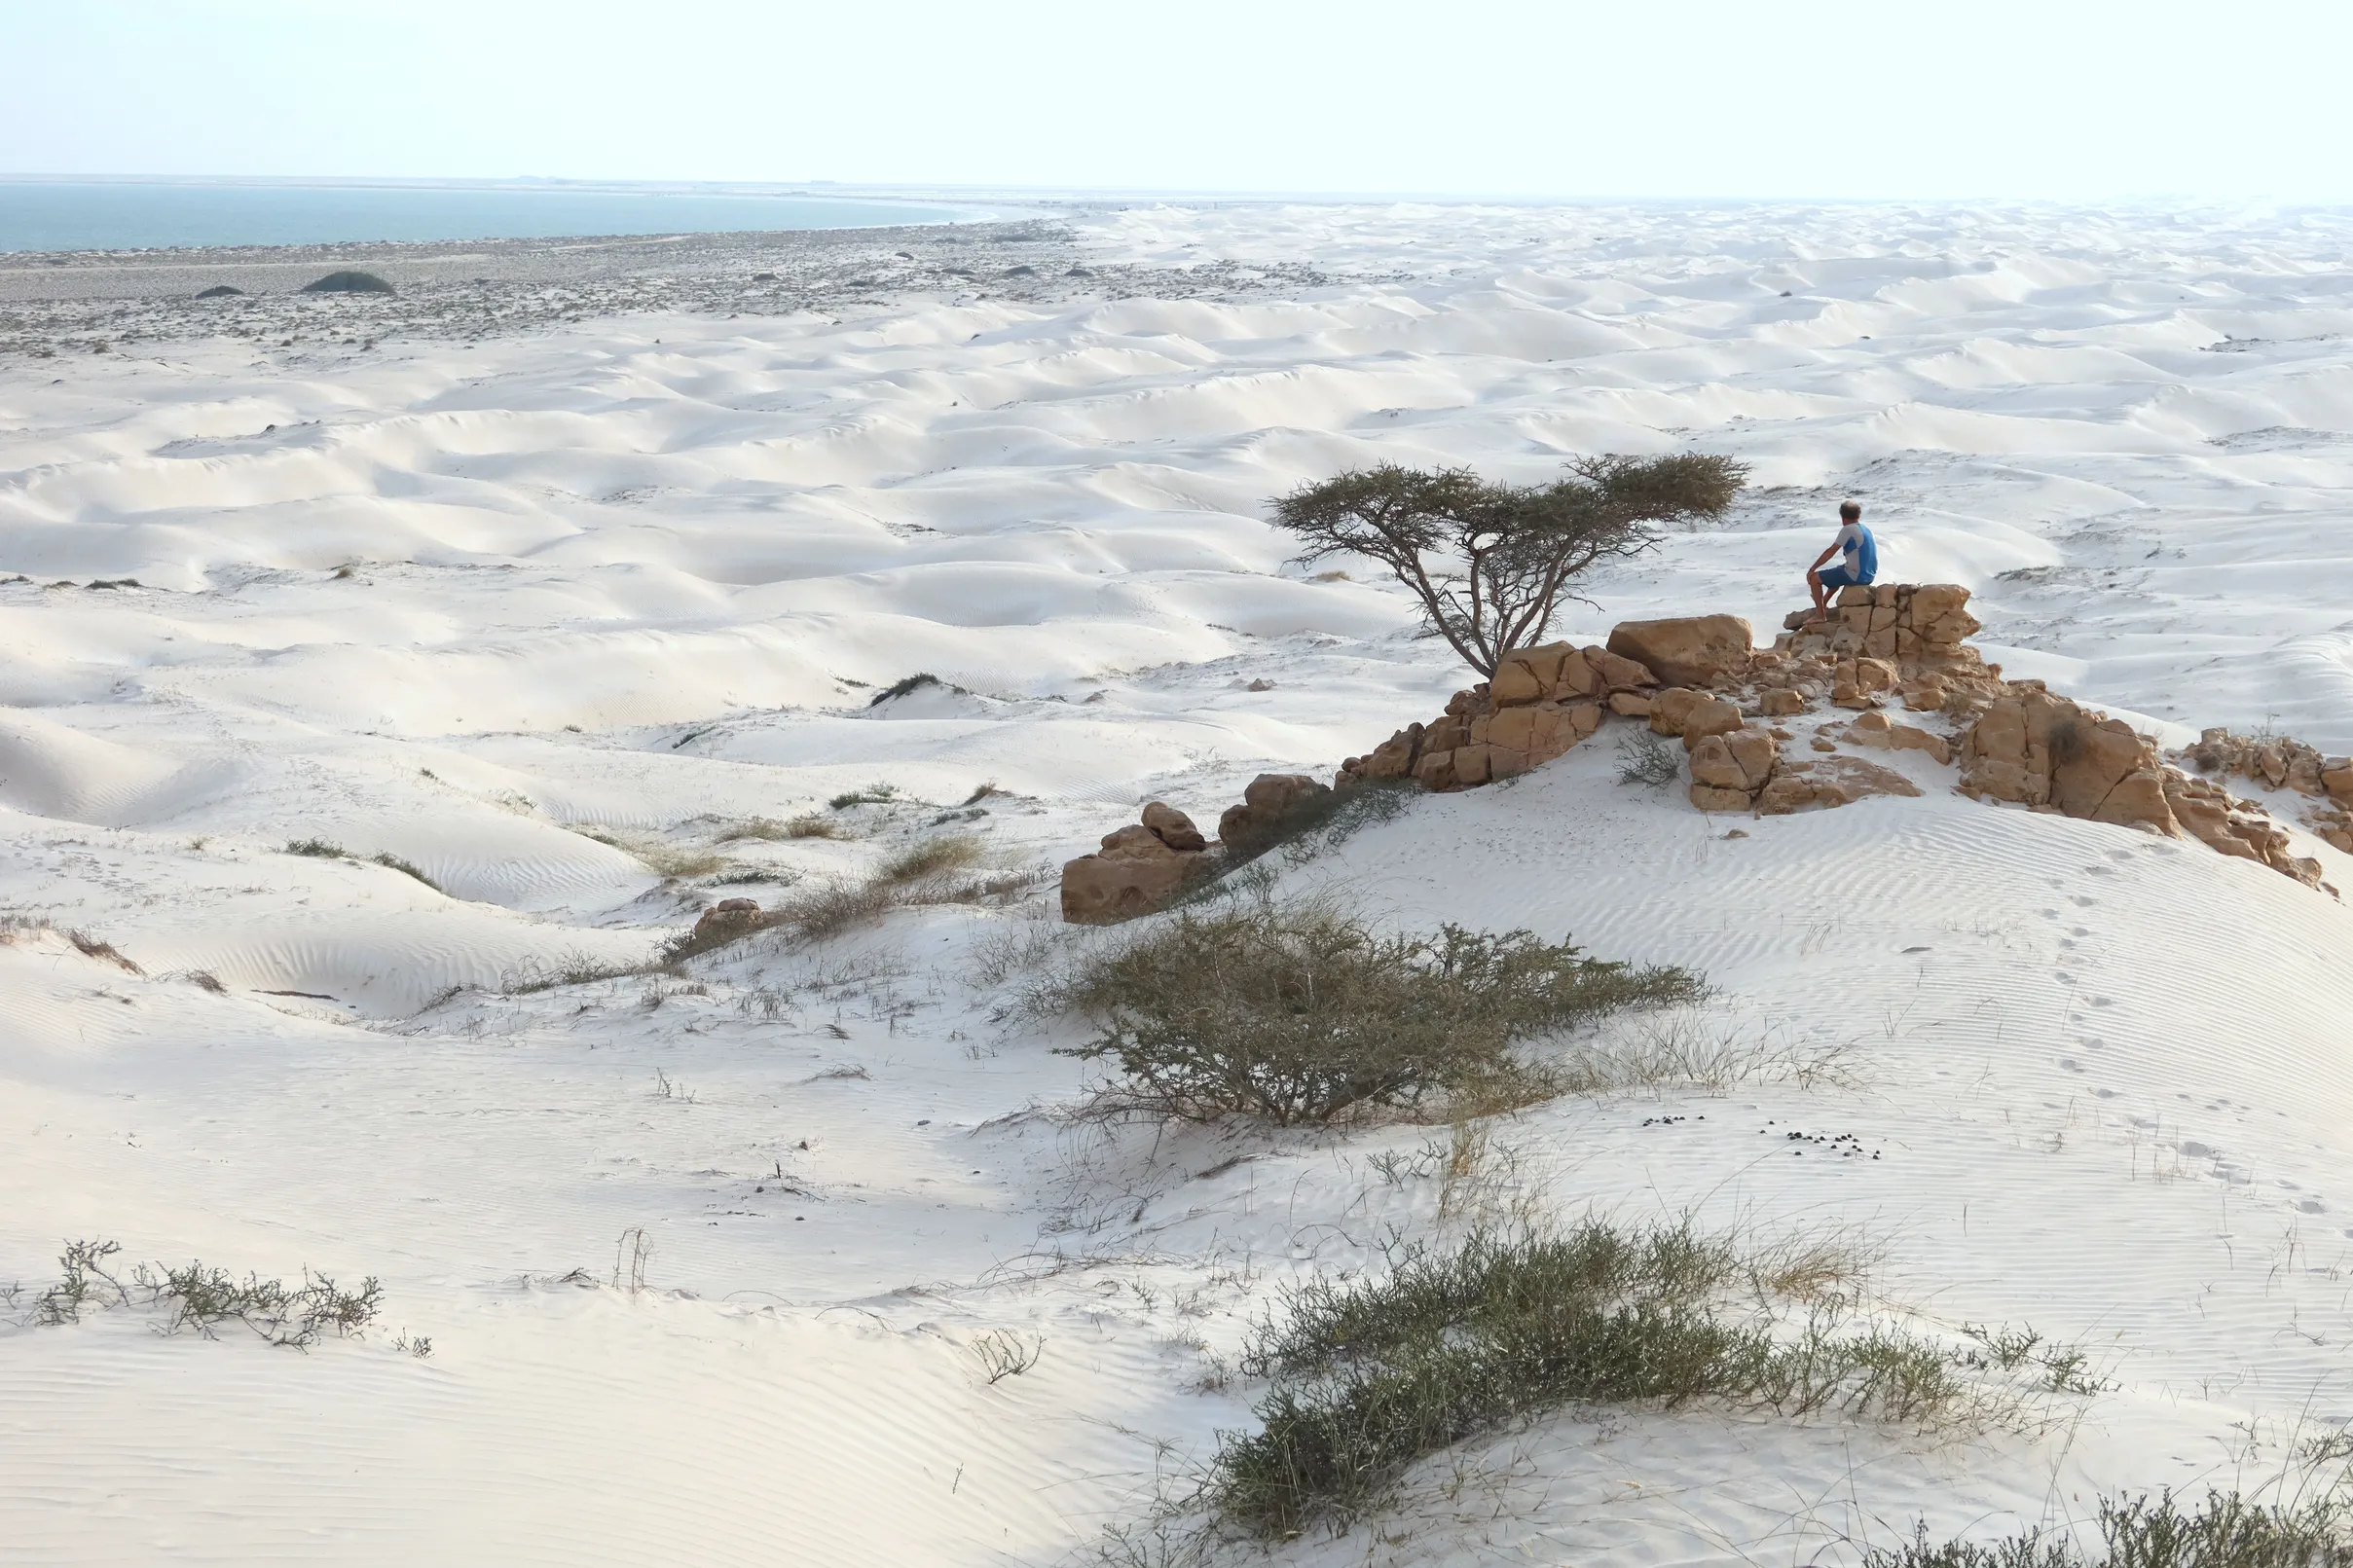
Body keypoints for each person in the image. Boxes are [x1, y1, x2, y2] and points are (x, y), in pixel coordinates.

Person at [1807, 499, 1877, 619]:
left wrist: (1812, 569)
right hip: (1869, 575)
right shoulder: (1865, 529)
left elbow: (1830, 552)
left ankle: (1820, 615)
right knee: (1838, 572)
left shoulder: (1848, 529)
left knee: (1814, 579)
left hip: (1857, 575)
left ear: (1843, 517)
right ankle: (1823, 602)